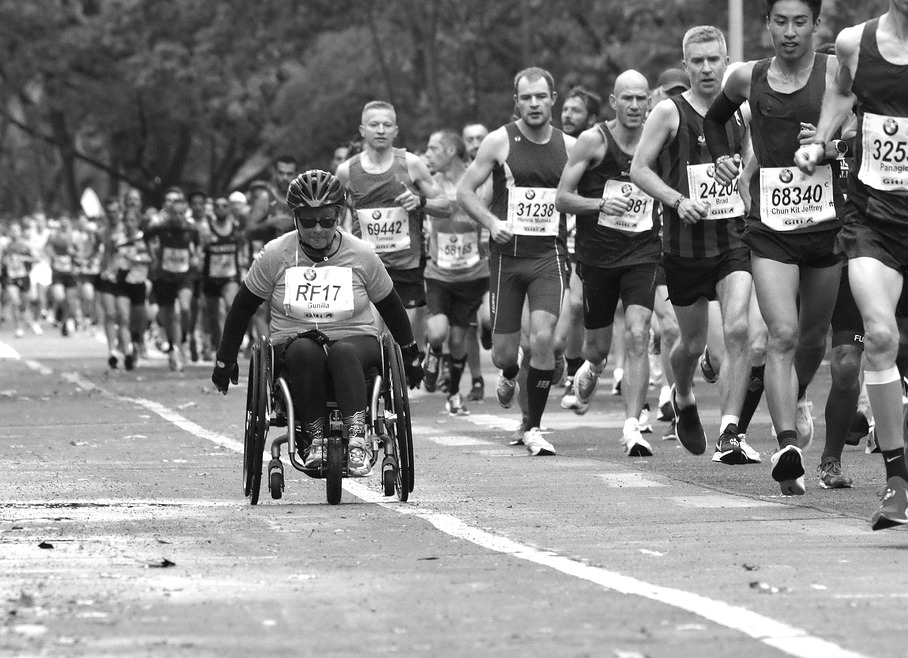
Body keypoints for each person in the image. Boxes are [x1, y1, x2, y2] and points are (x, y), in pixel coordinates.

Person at [705, 0, 843, 494]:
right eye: (780, 22)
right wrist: (722, 158)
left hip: (826, 225)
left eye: (799, 22)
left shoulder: (836, 73)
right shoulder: (746, 77)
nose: (789, 32)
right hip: (772, 226)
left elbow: (861, 130)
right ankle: (788, 448)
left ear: (816, 24)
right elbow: (713, 121)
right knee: (780, 335)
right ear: (766, 24)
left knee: (813, 337)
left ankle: (797, 395)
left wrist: (830, 147)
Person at [211, 170, 423, 476]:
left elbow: (391, 306)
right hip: (294, 341)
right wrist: (225, 358)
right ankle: (314, 438)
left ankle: (357, 439)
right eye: (308, 221)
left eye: (326, 220)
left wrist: (410, 353)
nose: (318, 229)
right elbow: (243, 307)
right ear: (295, 218)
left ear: (338, 215)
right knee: (304, 351)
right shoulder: (276, 254)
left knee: (343, 352)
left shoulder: (362, 254)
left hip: (355, 340)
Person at [794, 1, 908, 528]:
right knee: (879, 339)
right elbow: (840, 91)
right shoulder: (852, 44)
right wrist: (821, 140)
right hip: (874, 220)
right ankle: (898, 482)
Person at [631, 25, 758, 465]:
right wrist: (677, 199)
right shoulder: (668, 112)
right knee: (690, 343)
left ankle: (729, 431)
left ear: (726, 62)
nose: (706, 69)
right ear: (686, 66)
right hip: (684, 246)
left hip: (732, 241)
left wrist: (743, 182)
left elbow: (749, 155)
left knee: (739, 329)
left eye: (714, 60)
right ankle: (682, 395)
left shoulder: (740, 110)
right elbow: (639, 169)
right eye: (698, 61)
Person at [457, 67, 575, 456]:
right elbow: (464, 190)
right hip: (507, 258)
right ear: (516, 102)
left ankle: (533, 426)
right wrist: (491, 222)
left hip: (549, 256)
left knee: (542, 336)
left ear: (553, 99)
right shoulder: (498, 141)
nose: (534, 104)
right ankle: (512, 372)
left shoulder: (571, 146)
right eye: (526, 98)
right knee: (504, 353)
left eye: (541, 96)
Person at [555, 70, 659, 457]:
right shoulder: (593, 141)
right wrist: (599, 203)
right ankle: (593, 368)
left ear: (649, 101)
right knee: (597, 348)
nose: (635, 105)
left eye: (641, 98)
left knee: (637, 333)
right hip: (597, 258)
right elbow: (561, 199)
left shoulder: (658, 138)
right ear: (614, 102)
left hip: (643, 252)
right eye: (627, 98)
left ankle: (633, 425)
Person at [336, 100, 451, 356]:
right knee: (372, 331)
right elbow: (331, 215)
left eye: (387, 125)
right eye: (374, 124)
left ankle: (415, 361)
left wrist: (420, 201)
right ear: (362, 130)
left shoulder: (411, 164)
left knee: (408, 340)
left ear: (395, 131)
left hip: (406, 265)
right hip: (366, 265)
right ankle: (375, 385)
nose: (380, 130)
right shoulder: (347, 171)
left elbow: (445, 206)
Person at [423, 129, 490, 416]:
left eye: (433, 148)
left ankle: (453, 394)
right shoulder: (430, 183)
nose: (428, 154)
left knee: (460, 340)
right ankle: (434, 354)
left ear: (450, 151)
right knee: (438, 333)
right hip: (439, 273)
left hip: (473, 273)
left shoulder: (476, 181)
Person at [144, 187, 202, 371]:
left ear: (185, 212)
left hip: (185, 274)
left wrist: (196, 256)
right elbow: (145, 236)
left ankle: (184, 338)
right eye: (174, 213)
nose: (178, 217)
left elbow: (199, 245)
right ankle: (174, 348)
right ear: (169, 213)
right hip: (165, 275)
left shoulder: (191, 228)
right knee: (169, 315)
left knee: (184, 309)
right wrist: (153, 256)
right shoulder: (161, 227)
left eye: (181, 213)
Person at [201, 196, 246, 361]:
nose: (220, 208)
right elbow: (200, 252)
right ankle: (216, 344)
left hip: (230, 277)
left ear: (229, 209)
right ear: (213, 209)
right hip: (211, 277)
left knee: (231, 307)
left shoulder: (235, 229)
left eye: (224, 206)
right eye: (217, 206)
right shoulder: (207, 230)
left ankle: (233, 343)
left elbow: (241, 249)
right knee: (213, 314)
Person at [0, 222, 36, 338]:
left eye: (17, 230)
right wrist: (4, 262)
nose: (14, 233)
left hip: (23, 277)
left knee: (24, 304)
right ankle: (18, 327)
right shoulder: (5, 246)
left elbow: (37, 258)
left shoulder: (26, 245)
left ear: (20, 232)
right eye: (12, 230)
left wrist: (25, 259)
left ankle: (29, 321)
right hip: (10, 278)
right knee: (15, 301)